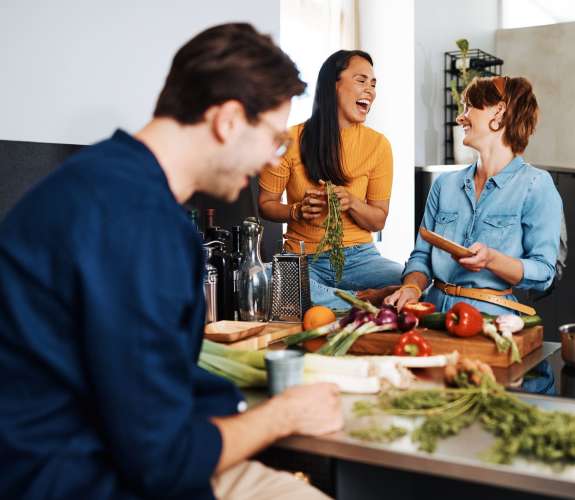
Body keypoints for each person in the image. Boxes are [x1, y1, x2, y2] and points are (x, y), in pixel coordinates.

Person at [0, 23, 341, 500]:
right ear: (227, 121)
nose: (271, 159)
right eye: (273, 139)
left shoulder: (98, 179)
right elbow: (163, 461)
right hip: (76, 479)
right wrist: (285, 414)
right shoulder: (141, 223)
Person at [385, 76, 562, 314]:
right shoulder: (444, 185)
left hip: (489, 319)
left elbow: (543, 273)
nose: (461, 116)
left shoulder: (536, 185)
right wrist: (411, 288)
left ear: (499, 112)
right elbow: (422, 256)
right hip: (432, 312)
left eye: (469, 106)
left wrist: (491, 259)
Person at [258, 50, 403, 308]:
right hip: (303, 258)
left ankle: (327, 301)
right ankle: (359, 301)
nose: (370, 89)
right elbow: (266, 203)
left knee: (413, 282)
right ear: (333, 84)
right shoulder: (290, 140)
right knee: (268, 278)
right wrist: (296, 212)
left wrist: (352, 202)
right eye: (361, 80)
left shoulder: (378, 145)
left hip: (360, 260)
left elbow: (378, 219)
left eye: (373, 83)